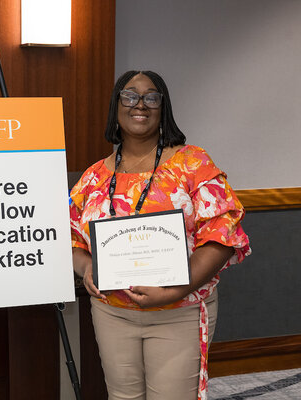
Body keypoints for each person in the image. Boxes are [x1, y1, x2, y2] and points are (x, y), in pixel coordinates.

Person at [70, 70, 251, 400]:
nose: (140, 104)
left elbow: (223, 233)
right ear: (116, 105)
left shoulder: (192, 163)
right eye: (130, 96)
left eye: (151, 97)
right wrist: (86, 268)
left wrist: (174, 291)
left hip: (178, 311)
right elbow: (71, 240)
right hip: (112, 313)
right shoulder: (94, 176)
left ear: (162, 108)